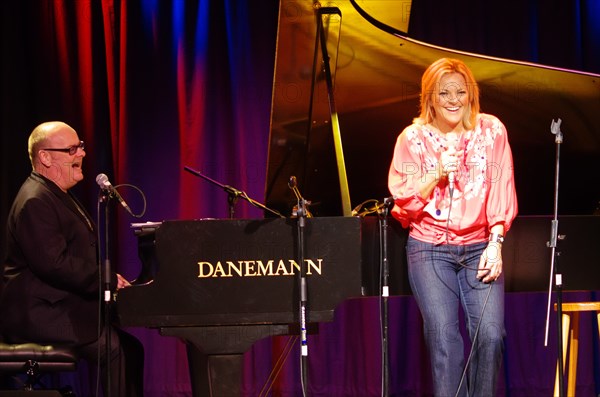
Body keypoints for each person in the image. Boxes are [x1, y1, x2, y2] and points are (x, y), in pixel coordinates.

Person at [388, 58, 518, 396]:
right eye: (444, 92)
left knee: (490, 335)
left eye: (461, 91)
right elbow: (402, 199)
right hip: (429, 249)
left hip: (480, 246)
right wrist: (435, 174)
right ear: (430, 97)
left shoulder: (492, 131)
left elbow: (501, 187)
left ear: (471, 94)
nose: (453, 99)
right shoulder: (412, 138)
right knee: (445, 339)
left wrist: (496, 242)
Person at [0, 121, 144, 396]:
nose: (82, 154)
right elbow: (53, 264)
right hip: (41, 314)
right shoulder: (35, 200)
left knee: (131, 348)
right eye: (72, 149)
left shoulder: (54, 193)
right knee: (117, 352)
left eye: (81, 146)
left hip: (59, 306)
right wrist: (105, 279)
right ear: (45, 157)